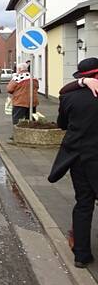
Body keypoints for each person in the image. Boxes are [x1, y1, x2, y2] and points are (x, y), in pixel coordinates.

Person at [48, 58, 98, 268]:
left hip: (79, 158)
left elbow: (62, 125)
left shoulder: (69, 97)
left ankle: (81, 255)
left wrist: (80, 85)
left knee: (84, 204)